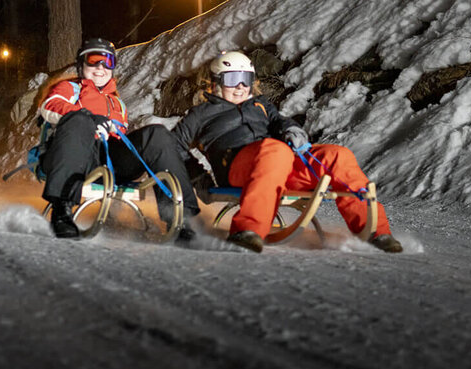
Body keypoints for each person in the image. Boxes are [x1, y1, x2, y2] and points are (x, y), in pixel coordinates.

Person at [172, 51, 402, 253]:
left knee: (336, 155)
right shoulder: (201, 113)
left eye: (246, 79)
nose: (241, 86)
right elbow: (173, 144)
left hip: (278, 165)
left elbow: (280, 122)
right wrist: (198, 177)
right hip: (238, 167)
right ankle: (248, 229)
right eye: (233, 79)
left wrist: (292, 131)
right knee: (275, 150)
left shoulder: (261, 105)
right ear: (216, 82)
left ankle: (375, 231)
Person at [39, 38, 201, 241]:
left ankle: (179, 216)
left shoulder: (118, 104)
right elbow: (50, 106)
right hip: (75, 154)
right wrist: (88, 117)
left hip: (112, 162)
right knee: (78, 121)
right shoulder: (70, 88)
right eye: (94, 60)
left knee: (157, 134)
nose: (101, 67)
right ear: (81, 64)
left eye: (108, 61)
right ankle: (61, 210)